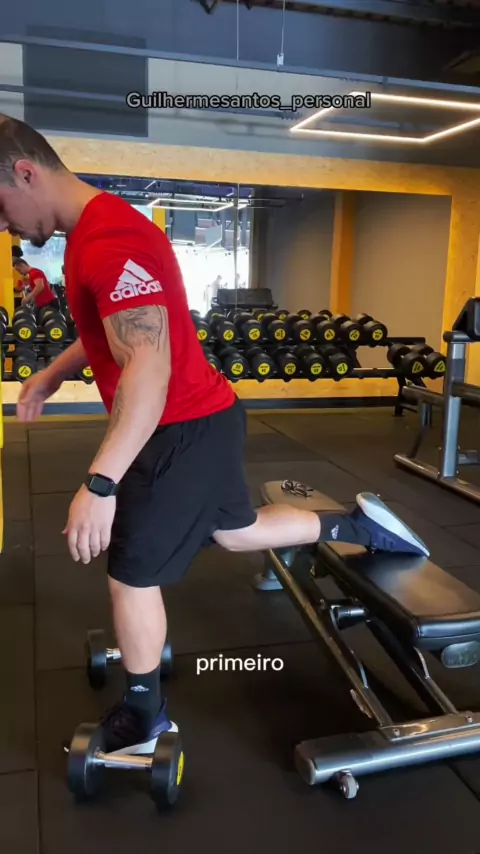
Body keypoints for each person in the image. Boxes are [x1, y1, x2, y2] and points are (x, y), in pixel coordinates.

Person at [0, 114, 429, 758]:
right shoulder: (93, 232)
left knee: (131, 573)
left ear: (25, 173)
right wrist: (51, 374)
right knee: (233, 531)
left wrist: (101, 483)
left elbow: (148, 366)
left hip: (179, 427)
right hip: (198, 416)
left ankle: (144, 719)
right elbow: (112, 330)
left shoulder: (110, 238)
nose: (2, 225)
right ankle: (359, 527)